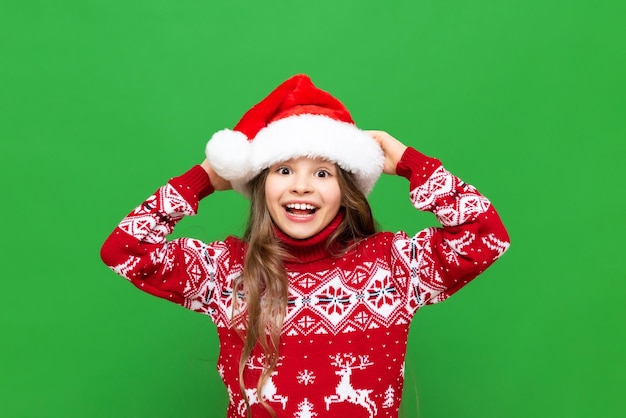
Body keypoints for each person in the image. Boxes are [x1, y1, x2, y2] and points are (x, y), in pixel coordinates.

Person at [100, 74, 510, 418]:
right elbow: (125, 249)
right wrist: (204, 177)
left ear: (345, 190)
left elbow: (485, 236)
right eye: (283, 169)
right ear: (260, 184)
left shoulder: (394, 267)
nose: (301, 185)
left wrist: (410, 162)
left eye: (321, 172)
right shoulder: (226, 272)